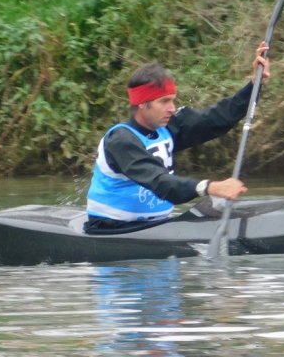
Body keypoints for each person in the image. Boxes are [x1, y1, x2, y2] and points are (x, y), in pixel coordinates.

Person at [84, 41, 271, 233]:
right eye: (164, 101)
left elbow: (218, 118)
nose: (172, 108)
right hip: (112, 229)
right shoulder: (120, 140)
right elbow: (160, 182)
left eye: (172, 100)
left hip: (157, 225)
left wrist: (254, 84)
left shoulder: (168, 126)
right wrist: (210, 187)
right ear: (142, 104)